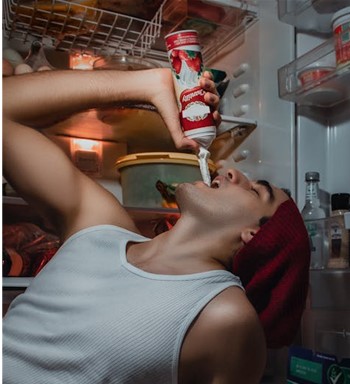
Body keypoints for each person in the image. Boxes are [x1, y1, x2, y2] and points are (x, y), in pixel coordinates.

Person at [3, 66, 310, 383]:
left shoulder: (223, 315)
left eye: (256, 190)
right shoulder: (97, 225)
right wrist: (146, 84)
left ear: (255, 236)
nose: (233, 174)